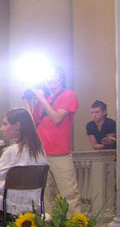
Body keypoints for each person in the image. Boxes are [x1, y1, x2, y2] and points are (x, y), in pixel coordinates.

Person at [25, 66, 82, 212]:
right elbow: (32, 124)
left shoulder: (68, 95)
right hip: (42, 152)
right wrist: (27, 102)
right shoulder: (44, 100)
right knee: (45, 195)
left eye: (53, 76)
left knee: (69, 193)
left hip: (59, 152)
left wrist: (42, 98)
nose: (49, 80)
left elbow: (57, 118)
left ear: (60, 78)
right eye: (47, 77)